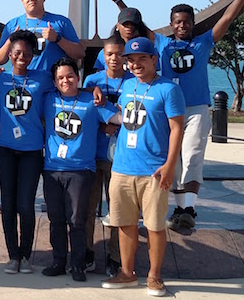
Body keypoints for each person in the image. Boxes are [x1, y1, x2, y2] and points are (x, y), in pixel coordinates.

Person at [107, 0, 244, 232]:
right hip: (168, 110)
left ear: (192, 23)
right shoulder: (160, 43)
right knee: (174, 160)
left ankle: (187, 209)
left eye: (186, 21)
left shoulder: (203, 43)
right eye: (177, 22)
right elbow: (135, 21)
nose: (182, 25)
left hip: (195, 109)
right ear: (171, 24)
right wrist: (118, 1)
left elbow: (228, 17)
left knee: (192, 156)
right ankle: (183, 209)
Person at [100, 35, 184, 297]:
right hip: (123, 168)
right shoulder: (127, 87)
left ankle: (154, 276)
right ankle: (127, 272)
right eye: (131, 60)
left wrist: (170, 166)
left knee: (155, 226)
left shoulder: (168, 89)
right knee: (124, 224)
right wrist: (101, 104)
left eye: (141, 59)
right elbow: (122, 117)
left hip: (153, 171)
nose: (136, 64)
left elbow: (177, 128)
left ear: (153, 60)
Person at [40, 57, 121, 282]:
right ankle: (58, 261)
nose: (66, 81)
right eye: (60, 78)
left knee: (77, 219)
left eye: (70, 76)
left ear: (78, 77)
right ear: (55, 82)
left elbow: (119, 118)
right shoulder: (48, 99)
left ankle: (78, 264)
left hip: (81, 170)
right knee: (56, 218)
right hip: (52, 169)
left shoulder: (91, 101)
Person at [0, 30, 53, 274]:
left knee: (26, 204)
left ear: (32, 55)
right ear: (10, 54)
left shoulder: (43, 79)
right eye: (17, 53)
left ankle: (26, 255)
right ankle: (12, 256)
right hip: (5, 149)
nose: (22, 57)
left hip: (31, 150)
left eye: (27, 53)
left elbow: (69, 87)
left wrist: (96, 92)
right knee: (8, 203)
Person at [80, 32, 131, 277]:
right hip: (92, 154)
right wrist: (101, 126)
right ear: (103, 55)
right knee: (87, 208)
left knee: (118, 210)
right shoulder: (91, 81)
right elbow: (81, 112)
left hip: (120, 157)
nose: (114, 59)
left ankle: (115, 256)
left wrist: (117, 124)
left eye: (120, 54)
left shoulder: (133, 82)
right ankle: (87, 253)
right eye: (109, 54)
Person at [0, 0, 85, 71]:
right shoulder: (12, 25)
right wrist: (11, 40)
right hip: (21, 82)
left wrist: (58, 39)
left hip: (50, 82)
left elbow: (79, 53)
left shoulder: (61, 22)